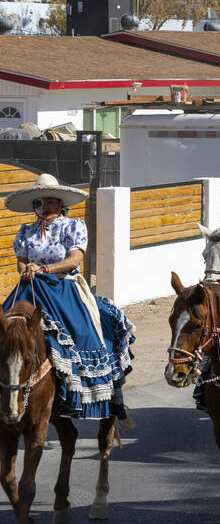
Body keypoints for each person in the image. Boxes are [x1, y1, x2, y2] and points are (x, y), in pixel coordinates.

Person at [2, 175, 135, 420]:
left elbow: (74, 260)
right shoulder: (26, 231)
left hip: (62, 287)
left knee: (82, 333)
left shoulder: (72, 226)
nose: (44, 208)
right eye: (39, 204)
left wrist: (44, 269)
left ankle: (76, 388)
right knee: (7, 330)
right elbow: (21, 261)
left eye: (50, 202)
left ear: (60, 203)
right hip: (30, 287)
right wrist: (27, 270)